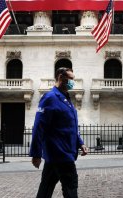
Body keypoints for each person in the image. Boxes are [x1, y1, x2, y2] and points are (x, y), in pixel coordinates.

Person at [30, 67, 88, 198]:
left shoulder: (66, 98)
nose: (73, 82)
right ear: (61, 78)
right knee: (71, 187)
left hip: (60, 154)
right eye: (71, 79)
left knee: (46, 188)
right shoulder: (50, 97)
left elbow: (70, 125)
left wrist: (80, 143)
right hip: (60, 153)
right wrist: (36, 154)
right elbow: (39, 127)